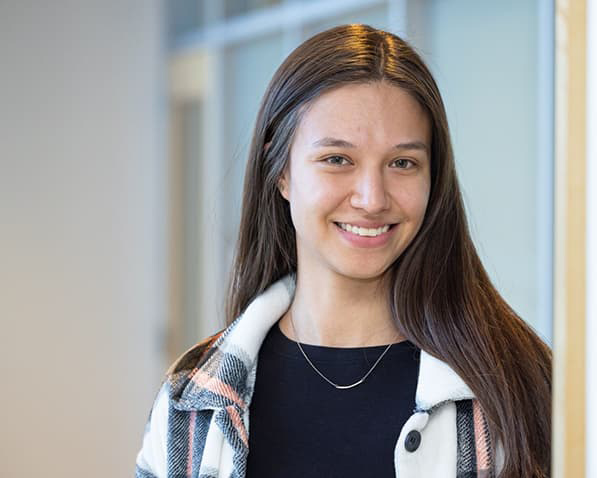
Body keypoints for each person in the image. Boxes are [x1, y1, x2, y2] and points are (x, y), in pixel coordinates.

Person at [135, 23, 551, 478]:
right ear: (282, 172)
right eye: (337, 159)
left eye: (402, 163)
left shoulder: (515, 385)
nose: (372, 198)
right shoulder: (192, 398)